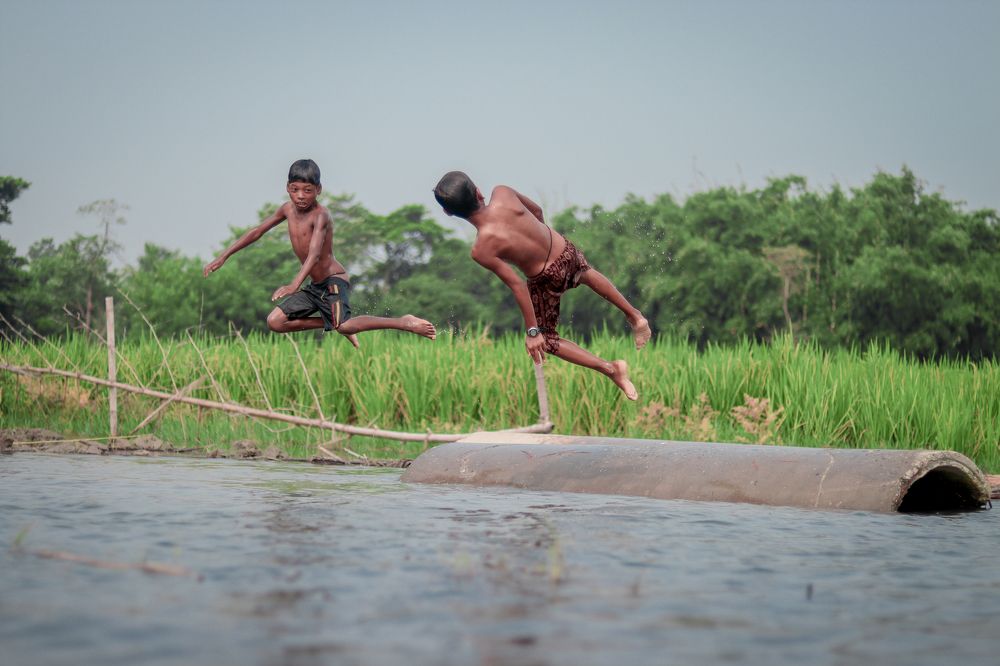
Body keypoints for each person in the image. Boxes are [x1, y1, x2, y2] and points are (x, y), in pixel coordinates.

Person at [433, 171, 650, 400]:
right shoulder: (503, 193)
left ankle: (611, 369)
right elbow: (537, 210)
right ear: (478, 192)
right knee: (585, 273)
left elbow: (517, 284)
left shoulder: (481, 249)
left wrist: (532, 331)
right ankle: (635, 317)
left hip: (544, 278)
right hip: (563, 249)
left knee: (546, 340)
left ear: (448, 212)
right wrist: (543, 238)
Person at [204, 159, 436, 345]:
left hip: (333, 280)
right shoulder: (286, 209)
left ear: (318, 190)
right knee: (275, 322)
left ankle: (403, 322)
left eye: (307, 190)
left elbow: (314, 254)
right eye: (295, 190)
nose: (301, 196)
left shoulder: (321, 215)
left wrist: (294, 284)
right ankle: (334, 322)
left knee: (344, 325)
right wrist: (224, 255)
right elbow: (257, 231)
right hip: (315, 286)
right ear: (287, 188)